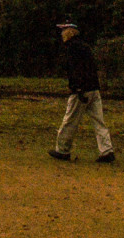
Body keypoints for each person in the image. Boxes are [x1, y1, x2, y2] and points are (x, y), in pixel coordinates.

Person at [48, 20, 115, 163]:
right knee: (99, 121)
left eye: (63, 31)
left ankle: (62, 150)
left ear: (68, 32)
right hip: (93, 88)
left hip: (81, 90)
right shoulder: (85, 46)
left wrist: (78, 88)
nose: (61, 34)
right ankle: (106, 150)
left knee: (69, 120)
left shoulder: (72, 48)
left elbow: (75, 70)